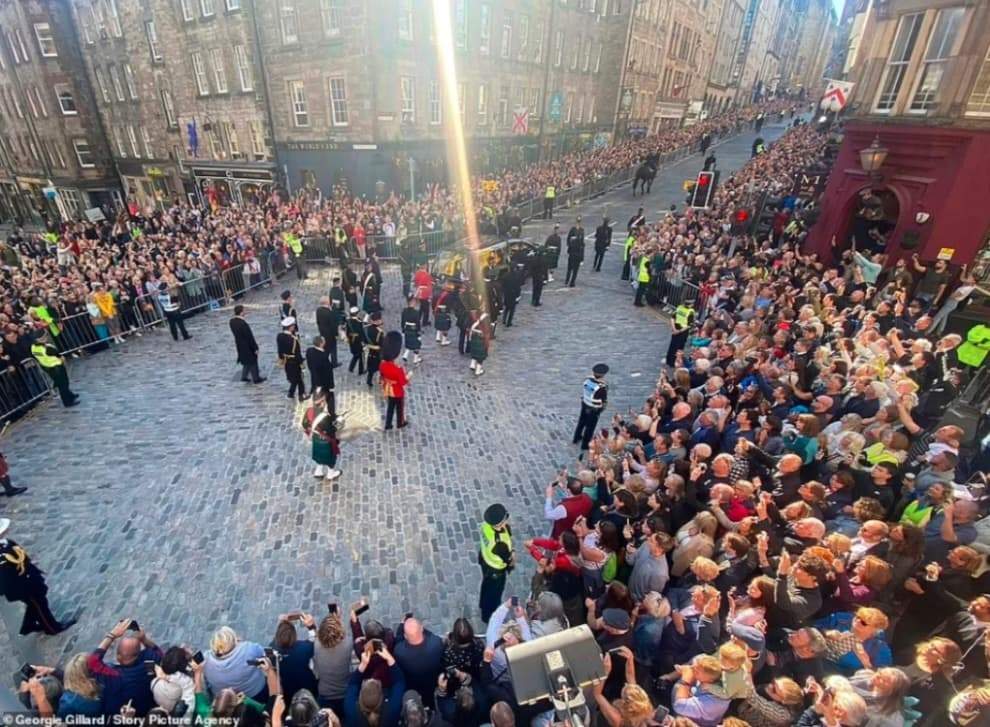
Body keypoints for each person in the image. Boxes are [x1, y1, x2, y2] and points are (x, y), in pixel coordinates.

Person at [0, 518, 76, 635]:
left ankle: (28, 625)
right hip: (23, 586)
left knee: (37, 601)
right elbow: (8, 580)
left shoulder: (5, 543)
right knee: (40, 605)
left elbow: (20, 557)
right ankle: (52, 628)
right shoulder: (2, 557)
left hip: (29, 577)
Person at [87, 618, 163, 717]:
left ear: (118, 657)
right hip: (150, 704)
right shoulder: (149, 659)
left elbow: (92, 662)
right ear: (139, 653)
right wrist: (144, 639)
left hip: (132, 715)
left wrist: (112, 635)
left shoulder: (114, 677)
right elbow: (159, 653)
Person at [478, 504, 513, 623]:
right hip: (496, 571)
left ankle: (484, 608)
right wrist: (512, 556)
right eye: (506, 516)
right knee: (493, 594)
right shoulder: (501, 542)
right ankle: (488, 616)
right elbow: (508, 559)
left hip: (485, 560)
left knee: (486, 587)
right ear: (500, 523)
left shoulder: (485, 525)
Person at [31, 332, 79, 407]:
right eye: (43, 337)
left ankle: (70, 395)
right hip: (57, 367)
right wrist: (62, 358)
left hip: (47, 368)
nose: (45, 338)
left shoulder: (33, 347)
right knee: (63, 384)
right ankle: (67, 402)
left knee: (61, 384)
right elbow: (58, 355)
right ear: (38, 339)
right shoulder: (47, 347)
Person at [302, 388, 342, 480]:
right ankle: (330, 474)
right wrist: (338, 424)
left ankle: (318, 471)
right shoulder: (325, 417)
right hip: (326, 441)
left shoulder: (309, 411)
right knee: (330, 458)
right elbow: (331, 430)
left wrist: (314, 430)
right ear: (322, 401)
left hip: (316, 439)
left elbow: (304, 424)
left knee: (319, 456)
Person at [573, 363, 609, 453]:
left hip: (585, 404)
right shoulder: (602, 387)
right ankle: (585, 445)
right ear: (602, 375)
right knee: (590, 427)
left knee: (581, 422)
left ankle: (576, 438)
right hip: (594, 409)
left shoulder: (587, 380)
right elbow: (603, 399)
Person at [380, 331, 411, 431]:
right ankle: (400, 422)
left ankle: (388, 424)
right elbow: (403, 382)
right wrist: (409, 375)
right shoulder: (398, 368)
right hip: (397, 391)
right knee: (399, 408)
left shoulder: (383, 364)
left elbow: (382, 375)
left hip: (388, 389)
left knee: (390, 407)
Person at [229, 304, 265, 384]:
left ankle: (244, 376)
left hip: (239, 344)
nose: (245, 312)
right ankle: (256, 378)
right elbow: (249, 337)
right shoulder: (243, 324)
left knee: (246, 361)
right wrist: (255, 348)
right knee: (253, 360)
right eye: (244, 310)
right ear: (241, 312)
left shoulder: (232, 322)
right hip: (247, 345)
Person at [277, 317, 307, 401]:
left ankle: (301, 394)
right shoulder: (294, 339)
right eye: (293, 326)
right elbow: (297, 354)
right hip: (294, 361)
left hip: (286, 361)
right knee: (297, 379)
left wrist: (281, 359)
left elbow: (280, 349)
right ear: (290, 327)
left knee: (296, 378)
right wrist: (302, 365)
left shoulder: (280, 336)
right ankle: (292, 394)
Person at [306, 336, 336, 413]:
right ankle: (331, 414)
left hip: (314, 379)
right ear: (321, 344)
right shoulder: (323, 356)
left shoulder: (309, 351)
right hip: (323, 383)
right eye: (324, 341)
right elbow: (328, 373)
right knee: (328, 398)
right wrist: (331, 386)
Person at [665, 302, 695, 368]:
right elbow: (689, 325)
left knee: (672, 345)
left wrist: (674, 329)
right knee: (679, 348)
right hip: (682, 332)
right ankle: (675, 362)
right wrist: (679, 331)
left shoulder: (679, 307)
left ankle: (668, 360)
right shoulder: (691, 311)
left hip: (675, 329)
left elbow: (672, 318)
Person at [316, 296, 342, 368]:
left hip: (322, 332)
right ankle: (334, 363)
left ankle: (324, 361)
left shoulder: (318, 310)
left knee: (325, 348)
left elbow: (318, 322)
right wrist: (336, 334)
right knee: (333, 349)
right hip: (330, 334)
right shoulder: (329, 313)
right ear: (327, 302)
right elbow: (333, 325)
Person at [364, 311, 384, 388]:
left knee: (371, 369)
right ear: (377, 321)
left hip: (370, 352)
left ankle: (369, 381)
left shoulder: (366, 329)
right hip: (378, 353)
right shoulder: (380, 332)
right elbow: (381, 345)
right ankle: (380, 380)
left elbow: (364, 341)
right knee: (381, 368)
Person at [401, 297, 423, 364]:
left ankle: (405, 355)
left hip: (407, 329)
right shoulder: (416, 312)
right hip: (414, 330)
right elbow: (418, 324)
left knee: (409, 343)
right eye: (414, 302)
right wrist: (418, 332)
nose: (415, 303)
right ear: (411, 303)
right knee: (417, 345)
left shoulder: (404, 311)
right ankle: (415, 359)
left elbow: (402, 321)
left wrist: (403, 330)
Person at [468, 311, 490, 377]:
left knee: (474, 351)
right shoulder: (485, 320)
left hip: (474, 338)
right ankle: (478, 370)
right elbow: (486, 332)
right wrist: (487, 344)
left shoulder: (473, 317)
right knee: (480, 356)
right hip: (481, 339)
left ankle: (472, 364)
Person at [565, 216, 585, 288]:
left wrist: (582, 258)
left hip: (577, 253)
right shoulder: (573, 230)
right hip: (573, 252)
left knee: (575, 270)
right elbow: (568, 239)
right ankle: (567, 280)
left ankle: (572, 282)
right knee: (570, 268)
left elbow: (582, 244)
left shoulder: (582, 230)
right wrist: (570, 245)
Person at [346, 307, 365, 375]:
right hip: (358, 340)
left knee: (355, 355)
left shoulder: (348, 321)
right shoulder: (359, 321)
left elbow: (347, 332)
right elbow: (361, 332)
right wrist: (363, 341)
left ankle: (351, 368)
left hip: (351, 340)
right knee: (360, 356)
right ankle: (360, 371)